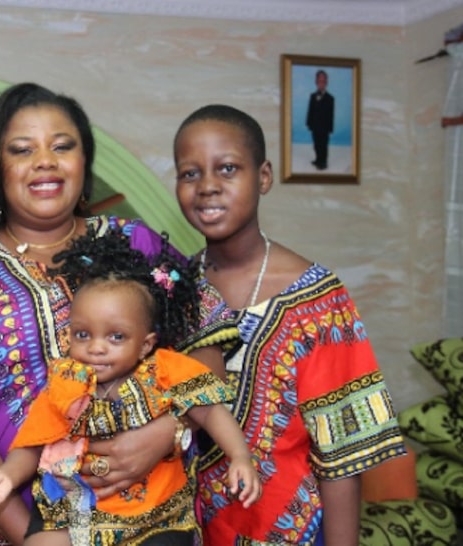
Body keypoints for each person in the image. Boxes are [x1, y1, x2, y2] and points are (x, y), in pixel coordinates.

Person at [0, 82, 238, 545]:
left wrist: (164, 434)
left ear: (84, 161)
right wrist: (30, 533)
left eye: (62, 146)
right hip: (20, 526)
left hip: (154, 516)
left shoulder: (138, 244)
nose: (45, 161)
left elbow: (203, 347)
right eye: (22, 149)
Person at [172, 104, 407, 546]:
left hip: (291, 532)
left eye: (227, 169)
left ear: (263, 177)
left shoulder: (318, 299)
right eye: (189, 173)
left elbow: (341, 453)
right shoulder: (174, 291)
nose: (207, 187)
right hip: (187, 529)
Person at [0, 227, 261, 546]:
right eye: (83, 335)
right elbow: (32, 443)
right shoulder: (65, 384)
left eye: (116, 337)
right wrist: (7, 476)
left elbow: (211, 413)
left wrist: (239, 456)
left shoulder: (165, 370)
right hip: (73, 507)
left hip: (153, 512)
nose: (97, 348)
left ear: (145, 344)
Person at [306, 69, 334, 170]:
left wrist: (330, 128)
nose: (321, 83)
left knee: (323, 145)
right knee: (316, 144)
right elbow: (310, 111)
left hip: (325, 128)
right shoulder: (313, 96)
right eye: (319, 81)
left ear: (326, 83)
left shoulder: (330, 98)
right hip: (315, 126)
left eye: (323, 81)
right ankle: (318, 159)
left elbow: (331, 115)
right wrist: (309, 123)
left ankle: (323, 162)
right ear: (316, 82)